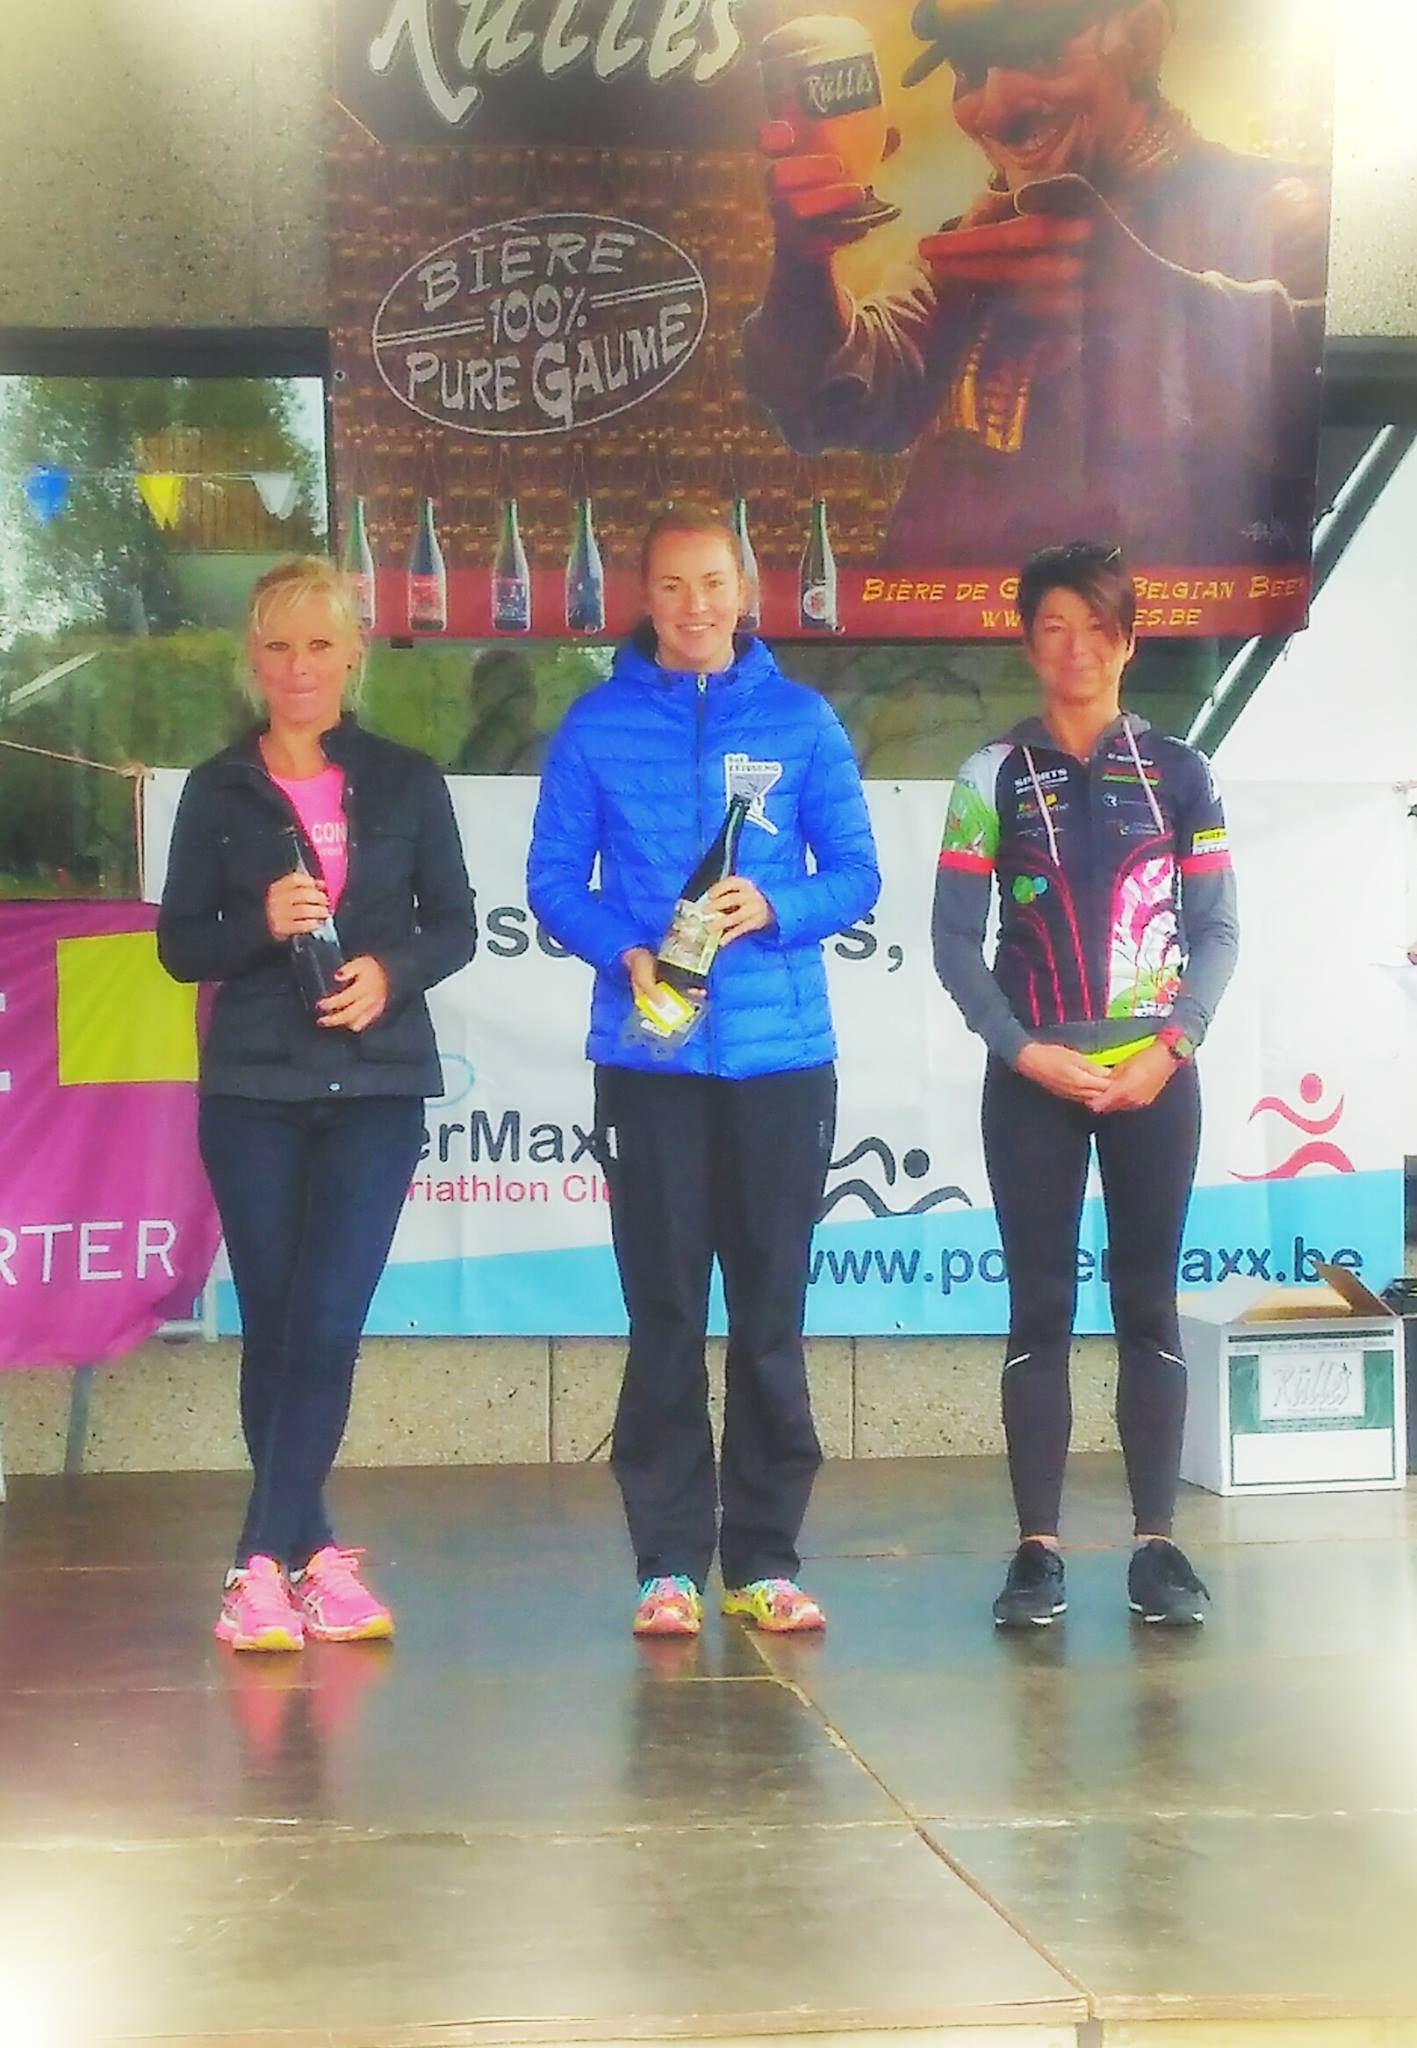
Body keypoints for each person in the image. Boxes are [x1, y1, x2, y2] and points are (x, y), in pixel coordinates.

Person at [527, 506, 880, 1638]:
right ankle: (667, 1563)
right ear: (645, 595)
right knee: (666, 1310)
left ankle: (765, 1557)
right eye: (673, 585)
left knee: (770, 1314)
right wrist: (621, 952)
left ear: (745, 589)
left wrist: (775, 904)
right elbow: (552, 881)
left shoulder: (801, 719)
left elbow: (857, 872)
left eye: (714, 582)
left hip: (782, 1061)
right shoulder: (595, 724)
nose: (695, 606)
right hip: (650, 1059)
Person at [157, 557, 475, 1652]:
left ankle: (260, 1561)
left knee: (329, 1319)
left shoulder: (405, 778)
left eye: (320, 644)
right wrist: (260, 922)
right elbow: (179, 946)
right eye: (279, 645)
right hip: (253, 1087)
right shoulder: (217, 789)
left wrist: (390, 972)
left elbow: (455, 924)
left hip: (375, 1085)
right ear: (254, 659)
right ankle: (307, 1556)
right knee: (279, 1321)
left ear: (353, 656)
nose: (299, 666)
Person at [742, 0, 1327, 569]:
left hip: (1147, 624)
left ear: (1142, 36)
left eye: (1037, 54)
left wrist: (1156, 306)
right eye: (970, 71)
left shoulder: (1277, 213)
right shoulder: (984, 234)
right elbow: (833, 408)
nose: (995, 110)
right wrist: (804, 262)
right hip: (942, 623)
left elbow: (1328, 409)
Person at [933, 541, 1237, 1627]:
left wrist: (1171, 1046)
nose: (1076, 649)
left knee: (1146, 1303)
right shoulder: (987, 776)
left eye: (1096, 629)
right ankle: (1037, 1552)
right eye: (1053, 628)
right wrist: (1020, 1049)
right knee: (1040, 1309)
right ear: (1027, 643)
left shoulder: (1182, 772)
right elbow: (953, 941)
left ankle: (1156, 1546)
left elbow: (1215, 931)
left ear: (1127, 643)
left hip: (1155, 1075)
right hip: (1032, 1076)